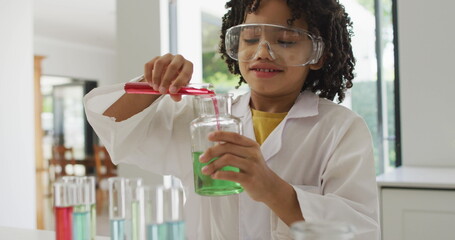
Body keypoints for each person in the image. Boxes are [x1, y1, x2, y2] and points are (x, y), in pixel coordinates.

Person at [84, 0, 380, 239]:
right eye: (250, 39)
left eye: (286, 41)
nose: (262, 52)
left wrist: (272, 188)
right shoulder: (201, 118)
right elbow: (113, 124)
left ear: (318, 54)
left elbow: (360, 230)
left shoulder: (340, 129)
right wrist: (153, 85)